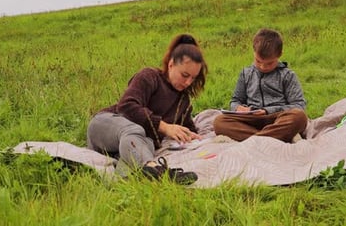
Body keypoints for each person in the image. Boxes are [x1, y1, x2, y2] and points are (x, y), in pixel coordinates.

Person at [87, 34, 208, 185]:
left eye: (193, 78)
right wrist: (164, 126)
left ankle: (133, 178)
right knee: (135, 130)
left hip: (131, 143)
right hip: (105, 126)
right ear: (171, 64)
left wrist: (191, 136)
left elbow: (187, 128)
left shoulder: (183, 101)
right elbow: (126, 105)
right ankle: (156, 171)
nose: (188, 82)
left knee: (147, 144)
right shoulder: (150, 76)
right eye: (185, 75)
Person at [213, 28, 308, 143]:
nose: (263, 67)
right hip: (251, 119)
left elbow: (299, 105)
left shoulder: (288, 75)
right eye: (258, 61)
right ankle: (276, 138)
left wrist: (267, 111)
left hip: (277, 119)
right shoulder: (245, 73)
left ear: (280, 55)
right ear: (254, 52)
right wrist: (238, 108)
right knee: (219, 122)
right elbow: (235, 100)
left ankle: (254, 140)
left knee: (299, 117)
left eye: (269, 63)